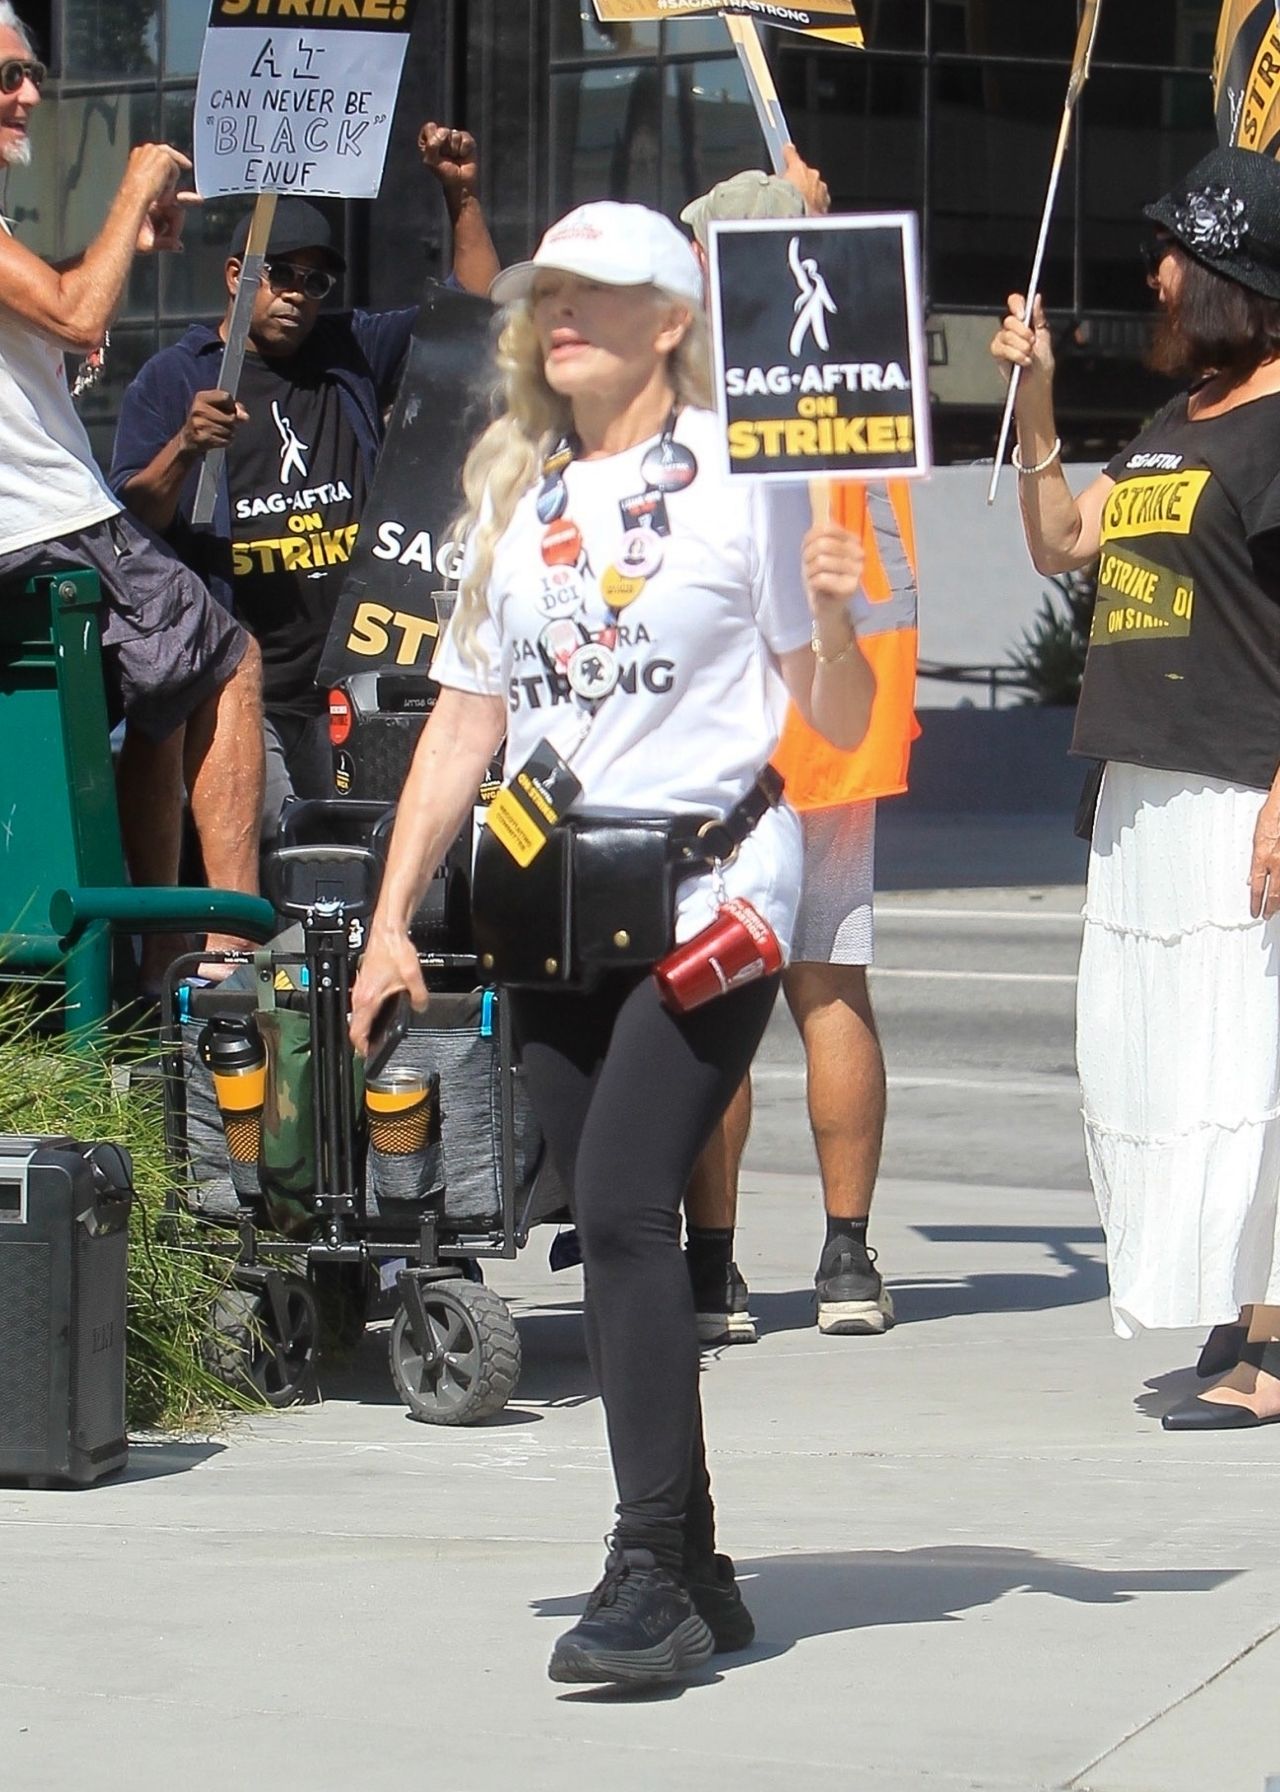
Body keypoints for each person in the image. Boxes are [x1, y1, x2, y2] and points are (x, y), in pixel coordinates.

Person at [349, 200, 875, 1684]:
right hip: (557, 903)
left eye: (599, 291)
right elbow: (465, 722)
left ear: (671, 319)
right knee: (597, 1199)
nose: (560, 312)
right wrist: (391, 923)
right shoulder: (517, 499)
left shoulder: (751, 487)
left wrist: (836, 626)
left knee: (636, 1198)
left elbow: (829, 727)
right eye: (547, 293)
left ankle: (645, 1568)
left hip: (720, 894)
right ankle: (699, 1555)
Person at [990, 144, 1280, 1431]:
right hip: (1144, 798)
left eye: (1172, 255)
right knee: (1169, 1067)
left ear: (1228, 273)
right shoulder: (1180, 422)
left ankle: (1271, 1331)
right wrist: (1038, 407)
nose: (1152, 276)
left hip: (1238, 786)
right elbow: (1061, 541)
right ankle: (1242, 1297)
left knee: (1250, 1068)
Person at [679, 154, 920, 1342]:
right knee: (831, 984)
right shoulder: (854, 366)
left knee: (718, 992)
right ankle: (845, 1262)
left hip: (736, 735)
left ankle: (712, 1269)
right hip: (843, 724)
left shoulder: (701, 385)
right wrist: (814, 226)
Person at [110, 127, 500, 846]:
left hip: (352, 678)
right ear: (237, 276)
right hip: (239, 686)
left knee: (363, 853)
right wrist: (186, 447)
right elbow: (134, 521)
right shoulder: (175, 376)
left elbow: (477, 309)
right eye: (281, 274)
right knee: (278, 844)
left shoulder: (346, 350)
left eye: (314, 282)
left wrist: (460, 191)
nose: (298, 296)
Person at [0, 3, 262, 980]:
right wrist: (137, 181)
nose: (29, 92)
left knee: (173, 682)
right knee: (228, 659)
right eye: (7, 78)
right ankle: (225, 953)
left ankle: (161, 955)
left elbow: (48, 300)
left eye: (29, 73)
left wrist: (121, 249)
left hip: (41, 520)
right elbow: (72, 314)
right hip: (46, 519)